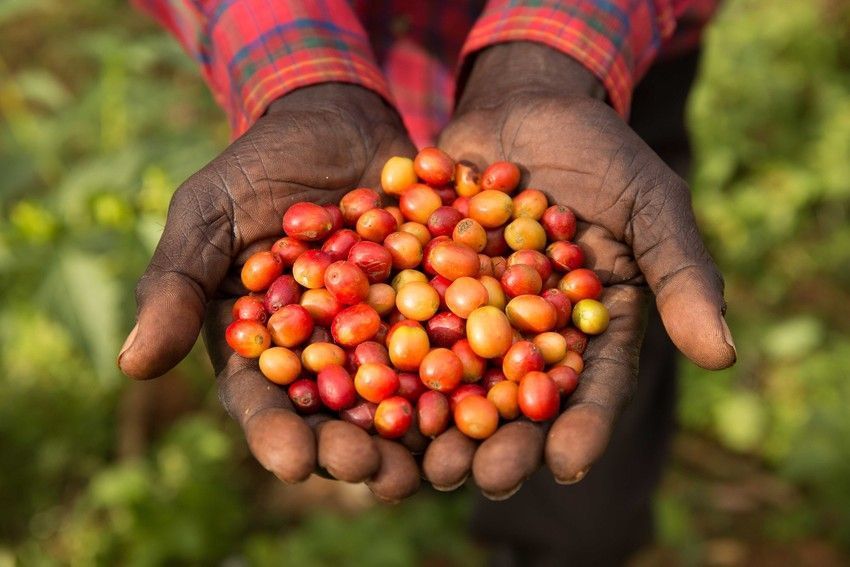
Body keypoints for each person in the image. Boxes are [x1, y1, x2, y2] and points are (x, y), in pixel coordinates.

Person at [119, 1, 737, 563]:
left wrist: (547, 60)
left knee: (588, 497)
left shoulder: (475, 274)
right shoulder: (384, 278)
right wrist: (305, 77)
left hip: (604, 81)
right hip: (337, 72)